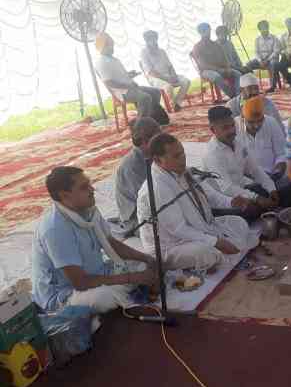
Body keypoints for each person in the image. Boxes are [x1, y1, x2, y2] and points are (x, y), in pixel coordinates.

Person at [32, 167, 157, 315]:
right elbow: (80, 282)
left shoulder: (88, 211)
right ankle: (124, 296)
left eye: (89, 184)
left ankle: (126, 292)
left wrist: (147, 258)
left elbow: (112, 244)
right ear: (65, 195)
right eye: (84, 187)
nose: (92, 189)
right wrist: (131, 277)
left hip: (98, 273)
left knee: (144, 260)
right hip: (65, 294)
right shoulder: (55, 229)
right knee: (105, 298)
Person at [137, 133, 254, 271]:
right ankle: (203, 262)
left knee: (239, 223)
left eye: (183, 153)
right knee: (207, 252)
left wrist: (231, 201)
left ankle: (207, 258)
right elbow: (178, 229)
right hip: (171, 246)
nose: (183, 159)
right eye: (176, 156)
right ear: (158, 160)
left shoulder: (180, 170)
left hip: (199, 227)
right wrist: (215, 242)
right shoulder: (157, 187)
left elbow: (208, 194)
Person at [201, 105, 279, 221]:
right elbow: (226, 188)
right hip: (225, 199)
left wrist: (271, 188)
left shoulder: (238, 143)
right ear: (213, 130)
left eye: (232, 125)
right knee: (250, 210)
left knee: (275, 191)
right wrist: (256, 198)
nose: (232, 131)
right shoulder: (212, 153)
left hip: (241, 189)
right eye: (225, 128)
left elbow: (255, 169)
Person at [95, 32, 169, 125]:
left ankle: (151, 117)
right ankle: (140, 125)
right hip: (122, 92)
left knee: (155, 92)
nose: (112, 47)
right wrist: (129, 85)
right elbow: (109, 83)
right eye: (110, 45)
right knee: (145, 98)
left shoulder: (114, 59)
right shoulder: (102, 62)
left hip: (131, 87)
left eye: (112, 44)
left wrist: (130, 74)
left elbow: (121, 76)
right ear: (103, 47)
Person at [114, 117, 161, 231]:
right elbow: (147, 202)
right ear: (144, 141)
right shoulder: (131, 165)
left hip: (157, 205)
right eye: (158, 139)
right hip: (137, 218)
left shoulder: (152, 154)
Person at [236, 96, 287, 180]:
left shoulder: (271, 122)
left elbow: (282, 154)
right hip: (248, 181)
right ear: (242, 117)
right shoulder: (235, 127)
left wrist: (277, 172)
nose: (256, 126)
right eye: (251, 122)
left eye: (260, 120)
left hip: (273, 176)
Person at [140, 30, 190, 112]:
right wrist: (166, 78)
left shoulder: (162, 51)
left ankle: (177, 103)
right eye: (151, 39)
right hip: (155, 78)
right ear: (147, 41)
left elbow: (170, 66)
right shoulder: (144, 52)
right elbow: (150, 72)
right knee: (168, 87)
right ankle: (172, 106)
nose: (153, 41)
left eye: (155, 39)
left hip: (168, 75)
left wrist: (173, 75)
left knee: (186, 81)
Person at [192, 23, 241, 99]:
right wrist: (218, 69)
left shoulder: (215, 45)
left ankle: (238, 95)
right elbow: (203, 65)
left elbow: (224, 59)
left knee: (237, 74)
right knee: (217, 77)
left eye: (209, 31)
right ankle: (233, 95)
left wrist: (227, 68)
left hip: (220, 69)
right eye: (206, 31)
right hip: (206, 71)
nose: (208, 33)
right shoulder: (197, 47)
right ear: (201, 33)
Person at [247, 20, 281, 92]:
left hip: (271, 59)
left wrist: (267, 60)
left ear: (268, 27)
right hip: (261, 60)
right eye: (262, 28)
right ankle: (252, 85)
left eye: (265, 27)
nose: (264, 30)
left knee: (273, 64)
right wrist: (260, 60)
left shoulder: (274, 38)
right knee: (248, 64)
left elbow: (276, 51)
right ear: (259, 30)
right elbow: (256, 52)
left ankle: (272, 86)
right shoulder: (257, 40)